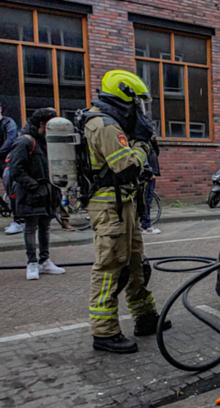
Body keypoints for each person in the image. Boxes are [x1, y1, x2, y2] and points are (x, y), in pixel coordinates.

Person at [83, 70, 171, 354]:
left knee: (135, 263)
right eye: (137, 103)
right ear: (123, 97)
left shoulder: (108, 121)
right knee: (110, 267)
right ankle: (105, 333)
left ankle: (145, 318)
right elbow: (128, 167)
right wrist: (142, 145)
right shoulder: (104, 125)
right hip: (109, 206)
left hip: (123, 203)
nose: (140, 110)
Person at [8, 108, 65, 280]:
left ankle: (45, 261)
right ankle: (32, 262)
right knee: (31, 228)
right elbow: (16, 170)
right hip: (32, 194)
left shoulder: (46, 141)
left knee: (45, 227)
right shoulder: (25, 142)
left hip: (47, 193)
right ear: (42, 125)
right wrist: (34, 186)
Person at [0, 103, 21, 235]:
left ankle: (18, 221)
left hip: (6, 160)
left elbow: (10, 140)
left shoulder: (8, 123)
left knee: (12, 190)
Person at [140, 138, 160, 234]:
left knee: (147, 200)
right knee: (146, 201)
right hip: (147, 176)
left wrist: (154, 142)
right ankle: (145, 226)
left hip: (150, 174)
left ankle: (143, 224)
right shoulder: (142, 143)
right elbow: (144, 160)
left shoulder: (150, 143)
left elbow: (156, 153)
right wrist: (150, 173)